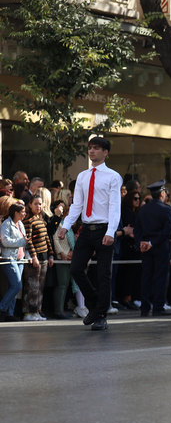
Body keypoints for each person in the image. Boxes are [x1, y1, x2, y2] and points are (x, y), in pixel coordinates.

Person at [58, 137, 123, 331]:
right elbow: (77, 205)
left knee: (104, 274)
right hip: (86, 229)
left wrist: (111, 231)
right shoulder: (83, 176)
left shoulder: (113, 176)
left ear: (105, 152)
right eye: (90, 148)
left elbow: (114, 207)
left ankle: (101, 315)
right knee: (76, 268)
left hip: (104, 228)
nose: (92, 151)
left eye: (96, 148)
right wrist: (65, 225)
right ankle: (96, 304)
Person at [135, 180, 171, 317]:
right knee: (160, 277)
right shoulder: (167, 210)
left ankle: (145, 307)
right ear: (162, 194)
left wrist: (141, 242)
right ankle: (158, 306)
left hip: (145, 248)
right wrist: (151, 243)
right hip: (160, 247)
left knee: (146, 277)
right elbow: (167, 232)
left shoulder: (143, 210)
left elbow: (137, 230)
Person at [22, 195, 54, 321]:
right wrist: (34, 256)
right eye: (35, 204)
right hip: (34, 257)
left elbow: (47, 239)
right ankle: (28, 312)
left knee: (40, 286)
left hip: (44, 256)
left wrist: (51, 254)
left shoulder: (41, 220)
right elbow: (28, 241)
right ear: (29, 204)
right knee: (32, 285)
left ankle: (37, 311)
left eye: (40, 204)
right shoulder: (28, 221)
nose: (38, 206)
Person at [0, 203, 28, 321]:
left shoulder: (21, 224)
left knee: (14, 287)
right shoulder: (6, 224)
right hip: (9, 259)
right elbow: (5, 241)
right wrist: (22, 241)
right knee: (17, 285)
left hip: (20, 259)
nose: (24, 214)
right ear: (16, 213)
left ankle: (9, 314)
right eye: (22, 212)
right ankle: (2, 308)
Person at [49, 200, 75, 320]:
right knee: (61, 285)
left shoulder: (68, 224)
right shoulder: (60, 223)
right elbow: (55, 239)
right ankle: (58, 310)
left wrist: (72, 252)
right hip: (61, 258)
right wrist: (62, 253)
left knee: (65, 285)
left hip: (68, 257)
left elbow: (71, 240)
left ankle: (62, 309)